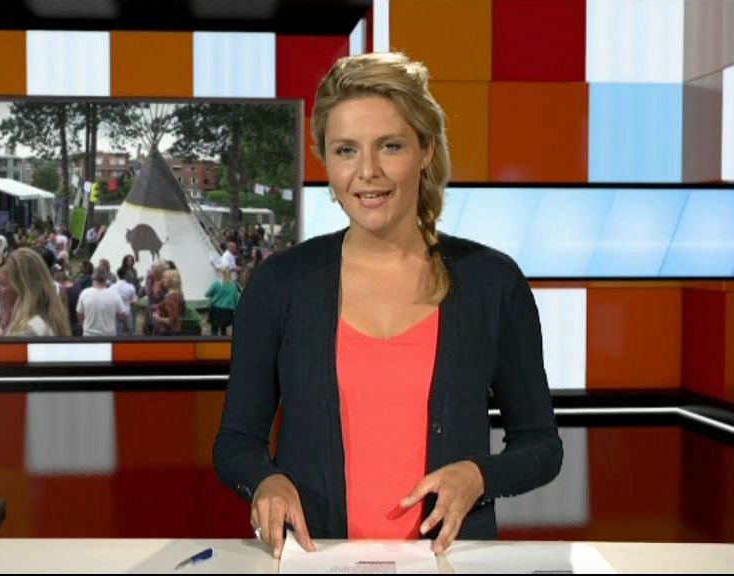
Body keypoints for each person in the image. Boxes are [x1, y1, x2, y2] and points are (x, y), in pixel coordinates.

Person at [213, 53, 562, 559]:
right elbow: (236, 443)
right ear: (327, 160)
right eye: (346, 151)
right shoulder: (279, 283)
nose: (367, 172)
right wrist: (264, 481)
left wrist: (479, 475)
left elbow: (541, 447)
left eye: (390, 146)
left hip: (450, 565)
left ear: (426, 149)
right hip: (318, 564)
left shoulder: (492, 282)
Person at [0, 248, 71, 337]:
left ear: (22, 288)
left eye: (3, 284)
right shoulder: (49, 313)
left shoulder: (25, 331)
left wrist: (2, 343)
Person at [76, 267, 127, 337]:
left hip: (89, 335)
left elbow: (79, 314)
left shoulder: (85, 293)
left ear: (93, 278)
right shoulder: (114, 294)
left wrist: (83, 325)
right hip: (109, 335)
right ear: (106, 279)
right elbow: (122, 314)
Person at [205, 265, 240, 336]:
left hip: (216, 311)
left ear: (221, 273)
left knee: (214, 332)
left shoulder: (217, 283)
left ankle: (212, 342)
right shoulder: (234, 286)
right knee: (224, 333)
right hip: (227, 312)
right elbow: (236, 300)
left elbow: (207, 294)